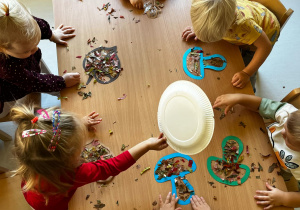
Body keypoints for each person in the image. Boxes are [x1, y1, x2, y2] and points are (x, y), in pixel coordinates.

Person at [11, 104, 168, 210]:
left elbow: (56, 130)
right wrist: (147, 144)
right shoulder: (71, 175)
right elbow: (112, 166)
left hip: (32, 194)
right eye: (79, 147)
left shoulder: (32, 156)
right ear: (67, 160)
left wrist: (79, 124)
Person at [213, 93, 300, 209]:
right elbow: (262, 104)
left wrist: (283, 198)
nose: (282, 133)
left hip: (279, 171)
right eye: (285, 127)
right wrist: (239, 98)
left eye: (287, 138)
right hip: (259, 140)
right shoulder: (290, 115)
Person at [0, 0, 80, 117]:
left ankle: (57, 88)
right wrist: (61, 82)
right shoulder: (7, 68)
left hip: (25, 72)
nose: (35, 49)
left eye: (35, 43)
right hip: (7, 91)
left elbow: (37, 25)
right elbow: (34, 82)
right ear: (2, 49)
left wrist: (52, 35)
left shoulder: (17, 21)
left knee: (39, 70)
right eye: (27, 50)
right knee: (15, 107)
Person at [182, 0, 280, 91]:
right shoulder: (223, 15)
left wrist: (246, 73)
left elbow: (265, 47)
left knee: (247, 74)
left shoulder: (244, 26)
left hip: (264, 36)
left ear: (227, 28)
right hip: (248, 25)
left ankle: (252, 88)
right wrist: (201, 30)